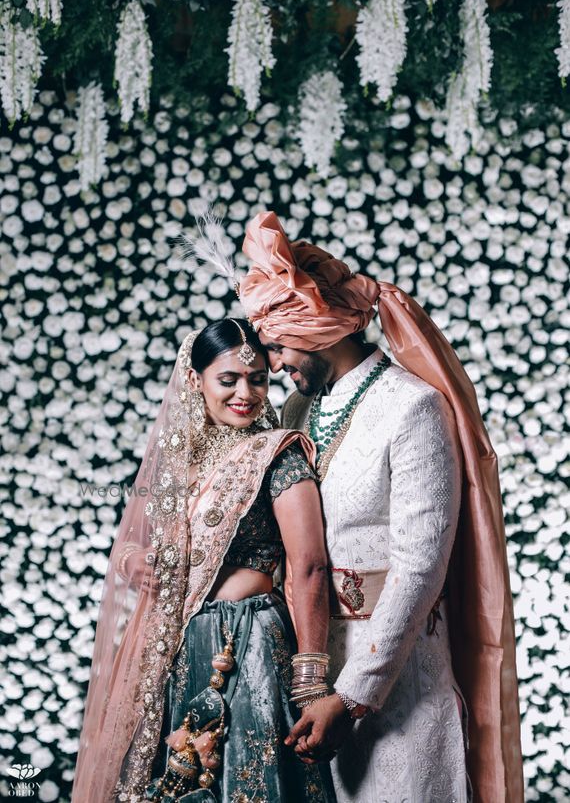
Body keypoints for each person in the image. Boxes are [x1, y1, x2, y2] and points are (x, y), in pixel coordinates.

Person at [236, 211, 524, 803]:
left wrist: (353, 695)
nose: (275, 363)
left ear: (322, 329)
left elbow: (420, 566)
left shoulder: (411, 408)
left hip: (395, 682)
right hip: (303, 674)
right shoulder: (299, 413)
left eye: (280, 344)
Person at [71, 318, 336, 803]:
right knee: (180, 778)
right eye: (229, 379)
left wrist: (309, 681)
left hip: (249, 642)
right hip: (184, 641)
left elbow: (311, 566)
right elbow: (134, 542)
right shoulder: (183, 461)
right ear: (196, 381)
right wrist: (134, 563)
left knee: (247, 780)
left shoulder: (277, 455)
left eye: (258, 379)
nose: (246, 393)